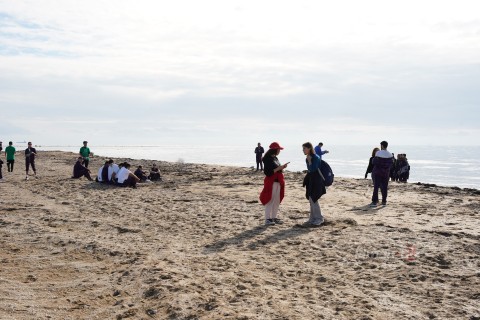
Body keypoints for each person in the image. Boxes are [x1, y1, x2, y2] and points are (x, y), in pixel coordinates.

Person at [259, 142, 288, 226]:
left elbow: (277, 169)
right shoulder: (267, 159)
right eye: (279, 149)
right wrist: (279, 168)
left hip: (278, 181)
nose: (279, 151)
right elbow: (268, 173)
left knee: (277, 201)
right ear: (275, 150)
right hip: (272, 182)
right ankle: (267, 219)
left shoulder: (275, 158)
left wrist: (282, 168)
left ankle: (274, 217)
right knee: (270, 200)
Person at [302, 142, 326, 226]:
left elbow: (313, 169)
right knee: (311, 198)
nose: (303, 150)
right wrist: (308, 161)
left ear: (309, 148)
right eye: (303, 148)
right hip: (311, 180)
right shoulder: (308, 157)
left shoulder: (316, 157)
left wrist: (309, 161)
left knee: (314, 198)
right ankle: (312, 218)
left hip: (317, 180)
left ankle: (319, 218)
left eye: (304, 148)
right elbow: (309, 170)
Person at [370, 141, 394, 207]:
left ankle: (374, 202)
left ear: (382, 146)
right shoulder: (390, 154)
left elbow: (374, 162)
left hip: (378, 172)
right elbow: (391, 164)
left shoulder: (378, 153)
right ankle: (384, 201)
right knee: (385, 187)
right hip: (386, 173)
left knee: (376, 187)